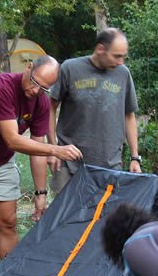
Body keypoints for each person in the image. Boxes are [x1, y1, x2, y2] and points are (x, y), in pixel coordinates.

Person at [0, 55, 82, 276]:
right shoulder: (1, 87)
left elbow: (37, 148)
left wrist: (41, 193)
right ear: (29, 67)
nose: (35, 90)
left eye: (44, 88)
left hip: (1, 163)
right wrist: (56, 150)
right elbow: (12, 140)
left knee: (9, 222)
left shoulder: (41, 103)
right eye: (35, 81)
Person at [48, 27, 141, 195]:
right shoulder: (70, 68)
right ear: (100, 49)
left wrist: (135, 157)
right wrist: (53, 148)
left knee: (104, 217)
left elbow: (129, 115)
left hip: (109, 164)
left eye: (123, 56)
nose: (121, 62)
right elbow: (50, 107)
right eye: (116, 56)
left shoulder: (123, 74)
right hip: (68, 163)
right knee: (66, 217)